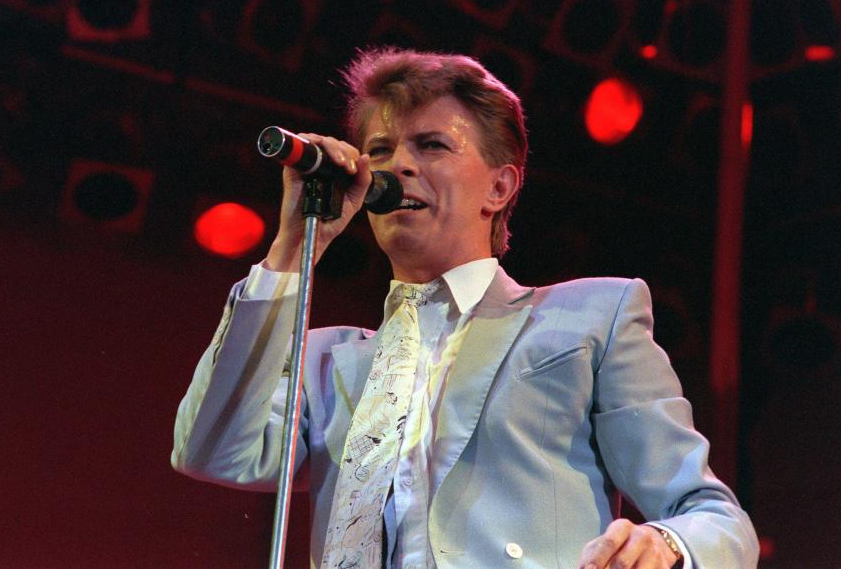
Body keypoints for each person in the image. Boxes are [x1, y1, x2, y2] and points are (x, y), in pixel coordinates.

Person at [171, 48, 758, 568]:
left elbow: (714, 516)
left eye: (431, 145)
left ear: (500, 188)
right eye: (379, 148)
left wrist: (665, 545)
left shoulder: (590, 318)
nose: (396, 165)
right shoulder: (325, 361)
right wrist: (294, 246)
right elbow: (211, 450)